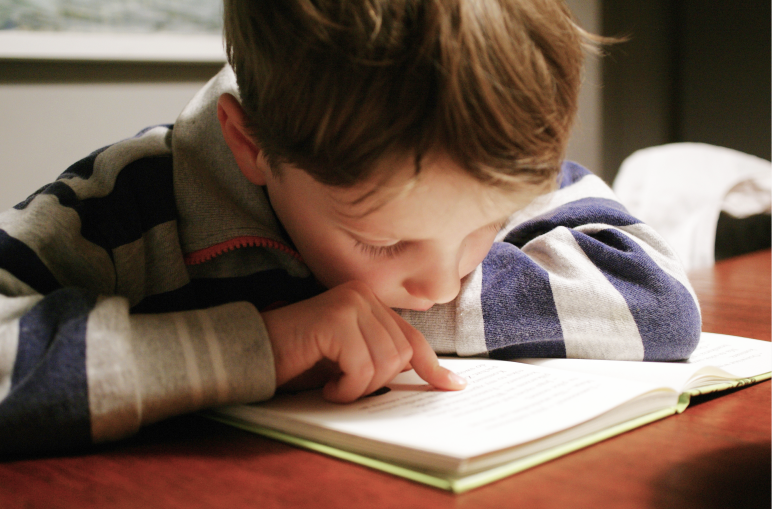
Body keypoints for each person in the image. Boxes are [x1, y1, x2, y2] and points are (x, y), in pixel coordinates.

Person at [0, 0, 700, 456]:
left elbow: (659, 298)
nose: (439, 283)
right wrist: (263, 342)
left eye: (486, 226)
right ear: (252, 148)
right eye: (386, 241)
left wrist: (380, 327)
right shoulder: (120, 205)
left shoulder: (477, 154)